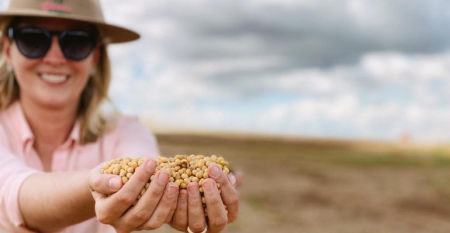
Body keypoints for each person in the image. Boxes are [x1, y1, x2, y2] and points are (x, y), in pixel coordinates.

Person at [0, 0, 241, 233]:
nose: (54, 57)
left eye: (76, 42)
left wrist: (177, 195)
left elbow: (145, 165)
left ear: (95, 56)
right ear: (7, 49)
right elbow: (13, 193)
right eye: (32, 39)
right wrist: (101, 185)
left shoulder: (126, 131)